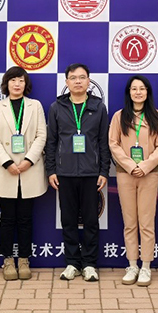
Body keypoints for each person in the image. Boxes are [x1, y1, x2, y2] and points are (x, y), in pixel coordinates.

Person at [46, 63, 110, 282]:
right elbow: (52, 142)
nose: (78, 81)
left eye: (82, 77)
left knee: (91, 220)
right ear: (67, 82)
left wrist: (104, 171)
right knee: (68, 219)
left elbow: (103, 142)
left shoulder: (98, 107)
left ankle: (90, 264)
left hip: (91, 173)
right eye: (73, 78)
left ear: (89, 81)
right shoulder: (57, 107)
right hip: (64, 173)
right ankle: (72, 263)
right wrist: (51, 170)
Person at [0, 67, 47, 281]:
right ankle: (8, 260)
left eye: (20, 80)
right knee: (7, 218)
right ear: (7, 83)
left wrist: (29, 160)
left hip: (30, 169)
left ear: (25, 83)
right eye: (13, 80)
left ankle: (24, 259)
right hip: (6, 170)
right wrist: (7, 163)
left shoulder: (35, 105)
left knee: (25, 218)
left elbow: (41, 135)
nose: (17, 84)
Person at [108, 75, 158, 287]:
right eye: (134, 89)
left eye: (142, 88)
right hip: (126, 174)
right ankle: (132, 265)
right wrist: (131, 165)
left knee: (146, 222)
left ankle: (146, 266)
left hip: (148, 174)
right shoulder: (119, 116)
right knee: (130, 222)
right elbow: (113, 144)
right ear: (129, 92)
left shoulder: (156, 116)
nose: (138, 92)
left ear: (147, 92)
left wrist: (145, 165)